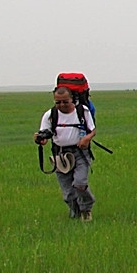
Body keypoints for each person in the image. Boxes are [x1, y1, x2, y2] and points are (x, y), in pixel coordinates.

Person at [34, 86, 97, 221]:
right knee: (68, 191)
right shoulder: (50, 115)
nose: (61, 105)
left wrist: (86, 138)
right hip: (60, 155)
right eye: (58, 102)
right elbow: (45, 136)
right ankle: (75, 212)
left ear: (72, 99)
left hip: (80, 153)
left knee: (80, 183)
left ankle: (86, 210)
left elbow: (92, 130)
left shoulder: (82, 111)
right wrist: (40, 139)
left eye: (65, 101)